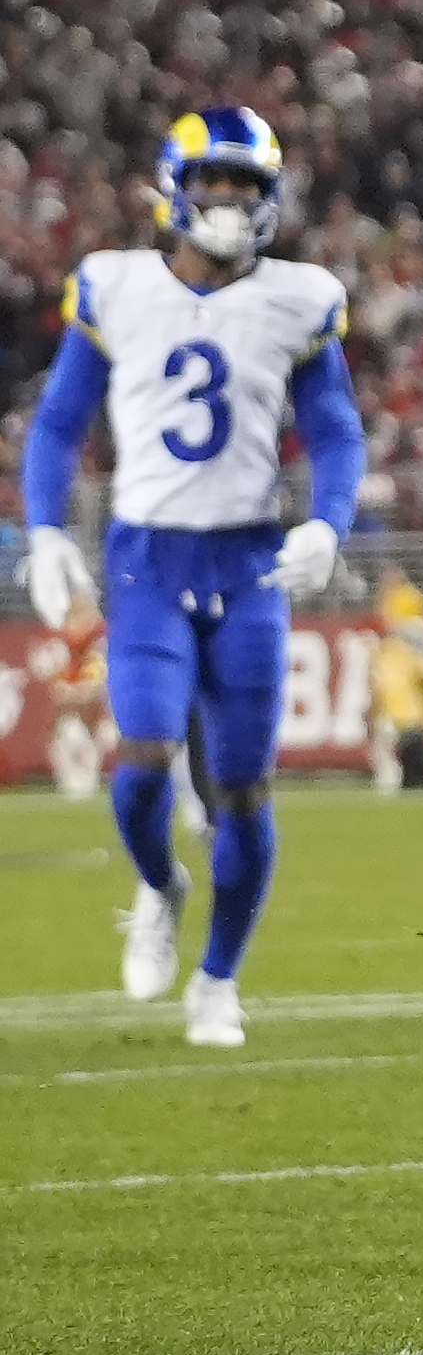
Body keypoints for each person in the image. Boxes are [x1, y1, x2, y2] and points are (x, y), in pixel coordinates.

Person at [14, 108, 365, 1049]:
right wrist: (44, 534)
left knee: (244, 789)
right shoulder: (116, 286)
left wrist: (331, 524)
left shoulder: (298, 298)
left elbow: (334, 428)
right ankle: (163, 885)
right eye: (216, 182)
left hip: (248, 561)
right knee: (143, 760)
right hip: (148, 558)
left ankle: (218, 980)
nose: (230, 201)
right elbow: (57, 424)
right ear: (175, 186)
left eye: (248, 186)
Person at [368, 575, 423, 791]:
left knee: (391, 738)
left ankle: (394, 777)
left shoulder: (401, 646)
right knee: (398, 739)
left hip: (404, 712)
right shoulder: (396, 652)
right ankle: (400, 775)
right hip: (409, 711)